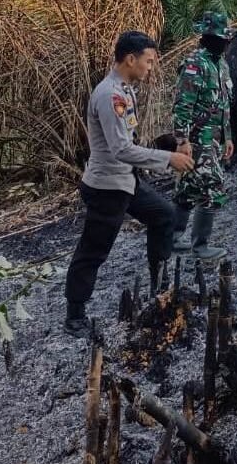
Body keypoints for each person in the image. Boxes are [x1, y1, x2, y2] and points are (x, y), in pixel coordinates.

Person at [64, 31, 195, 337]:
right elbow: (120, 148)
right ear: (130, 59)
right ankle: (75, 316)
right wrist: (167, 159)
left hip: (126, 180)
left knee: (163, 215)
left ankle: (158, 286)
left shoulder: (126, 89)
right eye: (148, 61)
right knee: (94, 250)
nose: (151, 67)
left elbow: (130, 140)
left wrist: (169, 144)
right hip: (107, 186)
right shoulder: (110, 96)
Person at [171, 11, 234, 261]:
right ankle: (201, 246)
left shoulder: (221, 64)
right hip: (197, 139)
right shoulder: (195, 64)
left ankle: (173, 237)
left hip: (215, 138)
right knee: (212, 187)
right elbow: (183, 105)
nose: (224, 43)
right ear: (207, 38)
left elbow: (224, 104)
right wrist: (182, 141)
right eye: (220, 38)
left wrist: (227, 137)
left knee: (188, 188)